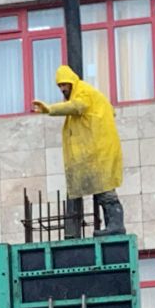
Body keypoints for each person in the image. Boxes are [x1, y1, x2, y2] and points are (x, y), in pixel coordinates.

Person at [32, 65, 125, 238]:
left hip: (100, 149)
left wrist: (50, 109)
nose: (63, 89)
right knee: (101, 188)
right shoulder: (85, 93)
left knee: (105, 188)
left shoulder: (84, 92)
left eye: (65, 85)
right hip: (98, 148)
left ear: (72, 81)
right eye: (60, 86)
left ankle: (116, 225)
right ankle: (112, 226)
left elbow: (76, 106)